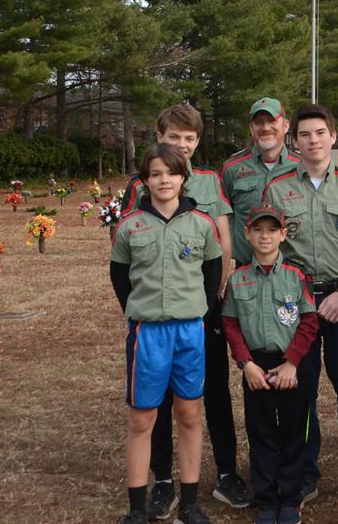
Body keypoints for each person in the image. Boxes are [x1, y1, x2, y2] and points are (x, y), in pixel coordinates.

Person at [120, 103, 248, 517]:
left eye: (190, 139)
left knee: (208, 396)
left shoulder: (210, 181)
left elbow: (221, 242)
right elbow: (125, 258)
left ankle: (225, 472)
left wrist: (214, 297)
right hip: (155, 314)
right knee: (154, 403)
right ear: (159, 134)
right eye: (174, 137)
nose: (182, 145)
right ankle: (159, 480)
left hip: (202, 307)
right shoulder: (139, 185)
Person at [253, 103, 338, 506]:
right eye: (305, 135)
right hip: (297, 305)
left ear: (333, 136)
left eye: (320, 133)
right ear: (295, 141)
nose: (313, 140)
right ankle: (305, 473)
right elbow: (270, 245)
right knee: (300, 392)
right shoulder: (277, 189)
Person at [110, 144, 224, 524]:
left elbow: (212, 274)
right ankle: (137, 509)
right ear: (144, 180)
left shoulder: (202, 224)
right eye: (155, 173)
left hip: (190, 331)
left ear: (183, 178)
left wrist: (197, 312)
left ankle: (190, 502)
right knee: (143, 418)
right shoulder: (129, 225)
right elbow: (120, 279)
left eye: (171, 173)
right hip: (148, 334)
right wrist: (143, 310)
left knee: (189, 414)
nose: (164, 180)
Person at [222, 204, 321, 524]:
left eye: (272, 230)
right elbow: (231, 325)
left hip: (292, 364)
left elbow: (308, 321)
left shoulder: (295, 276)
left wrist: (292, 363)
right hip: (256, 366)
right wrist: (246, 363)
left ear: (282, 235)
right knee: (260, 431)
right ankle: (266, 499)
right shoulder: (238, 279)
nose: (265, 236)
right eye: (258, 230)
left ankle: (290, 499)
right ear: (247, 234)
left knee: (293, 431)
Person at [221, 98, 301, 266]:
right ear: (251, 129)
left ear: (285, 126)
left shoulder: (301, 167)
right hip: (246, 271)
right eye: (258, 122)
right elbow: (224, 218)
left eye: (272, 121)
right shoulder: (232, 168)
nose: (265, 128)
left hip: (291, 273)